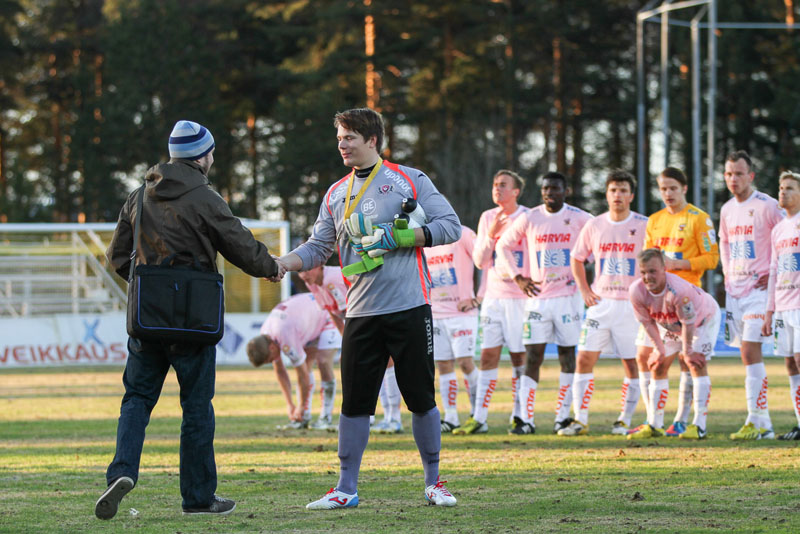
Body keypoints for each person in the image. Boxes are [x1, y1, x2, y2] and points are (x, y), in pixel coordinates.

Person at [271, 108, 461, 508]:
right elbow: (319, 247)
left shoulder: (410, 179)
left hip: (410, 307)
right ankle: (345, 489)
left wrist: (405, 236)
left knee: (421, 399)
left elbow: (450, 225)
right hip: (359, 313)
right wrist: (283, 264)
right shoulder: (335, 193)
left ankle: (434, 483)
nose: (341, 144)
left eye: (349, 137)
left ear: (372, 140)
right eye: (339, 137)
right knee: (355, 403)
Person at [96, 120, 279, 520]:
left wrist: (148, 285)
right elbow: (239, 243)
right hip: (194, 322)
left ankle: (122, 471)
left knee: (137, 399)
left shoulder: (139, 195)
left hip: (147, 320)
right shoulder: (205, 197)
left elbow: (116, 257)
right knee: (196, 407)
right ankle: (198, 498)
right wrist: (271, 267)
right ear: (204, 156)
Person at [496, 172, 592, 434]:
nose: (550, 193)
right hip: (537, 300)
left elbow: (600, 237)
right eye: (546, 188)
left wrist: (588, 272)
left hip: (568, 300)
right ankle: (526, 419)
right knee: (533, 357)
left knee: (567, 357)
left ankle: (562, 417)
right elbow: (502, 246)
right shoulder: (530, 217)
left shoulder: (581, 218)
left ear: (566, 190)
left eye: (555, 188)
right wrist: (518, 277)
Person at [558, 170, 648, 437]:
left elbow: (656, 261)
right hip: (601, 303)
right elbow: (577, 258)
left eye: (622, 190)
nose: (617, 195)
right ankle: (580, 419)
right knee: (584, 358)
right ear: (607, 195)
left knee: (632, 363)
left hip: (631, 305)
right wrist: (584, 290)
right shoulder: (594, 225)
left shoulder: (645, 224)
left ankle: (624, 419)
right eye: (613, 190)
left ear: (631, 195)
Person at [631, 167, 718, 438]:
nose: (667, 193)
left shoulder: (699, 219)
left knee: (689, 359)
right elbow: (647, 258)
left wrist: (676, 264)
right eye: (663, 188)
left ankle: (683, 420)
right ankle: (652, 420)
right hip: (658, 302)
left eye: (672, 188)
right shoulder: (655, 220)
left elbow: (712, 259)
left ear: (684, 189)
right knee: (647, 357)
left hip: (687, 299)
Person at [453, 170, 529, 435]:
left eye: (503, 185)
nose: (497, 189)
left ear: (516, 191)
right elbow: (480, 261)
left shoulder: (527, 217)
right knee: (487, 356)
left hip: (519, 298)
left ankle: (520, 416)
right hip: (494, 298)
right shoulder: (488, 217)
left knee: (520, 357)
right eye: (495, 184)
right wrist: (491, 234)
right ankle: (480, 417)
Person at [719, 151, 783, 440]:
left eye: (739, 173)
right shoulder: (726, 209)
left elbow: (788, 235)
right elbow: (725, 245)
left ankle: (755, 419)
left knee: (749, 350)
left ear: (751, 176)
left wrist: (777, 272)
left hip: (760, 292)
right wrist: (727, 275)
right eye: (729, 173)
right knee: (746, 355)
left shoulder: (768, 205)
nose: (734, 179)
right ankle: (763, 424)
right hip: (736, 291)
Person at [628, 248, 720, 440]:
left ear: (664, 269)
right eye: (643, 272)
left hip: (702, 320)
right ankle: (655, 424)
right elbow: (647, 322)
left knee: (695, 364)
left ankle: (699, 426)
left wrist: (687, 352)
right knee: (658, 365)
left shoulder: (679, 290)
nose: (647, 277)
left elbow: (688, 322)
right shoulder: (636, 291)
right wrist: (659, 350)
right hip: (671, 325)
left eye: (652, 271)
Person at [246, 293, 341, 430]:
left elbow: (301, 375)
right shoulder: (266, 335)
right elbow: (279, 370)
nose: (273, 361)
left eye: (270, 359)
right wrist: (290, 405)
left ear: (272, 348)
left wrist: (300, 406)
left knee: (323, 362)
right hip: (309, 322)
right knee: (307, 365)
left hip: (326, 315)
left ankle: (325, 417)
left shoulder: (284, 335)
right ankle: (304, 417)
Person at [426, 224, 480, 433]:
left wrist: (477, 299)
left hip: (461, 313)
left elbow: (485, 261)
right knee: (443, 365)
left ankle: (478, 415)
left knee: (466, 364)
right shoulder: (424, 238)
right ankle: (451, 417)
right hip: (436, 313)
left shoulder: (462, 233)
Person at [762, 171, 800, 441]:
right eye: (780, 188)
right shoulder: (778, 229)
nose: (782, 192)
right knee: (790, 363)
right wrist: (769, 311)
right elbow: (774, 271)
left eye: (789, 188)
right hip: (783, 304)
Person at [298, 264, 348, 430]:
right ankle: (326, 416)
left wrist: (353, 342)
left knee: (359, 365)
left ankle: (385, 417)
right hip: (348, 323)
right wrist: (346, 339)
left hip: (368, 316)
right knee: (332, 362)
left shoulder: (332, 279)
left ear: (319, 266)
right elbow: (332, 311)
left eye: (307, 269)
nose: (303, 275)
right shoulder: (311, 283)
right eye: (300, 271)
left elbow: (350, 310)